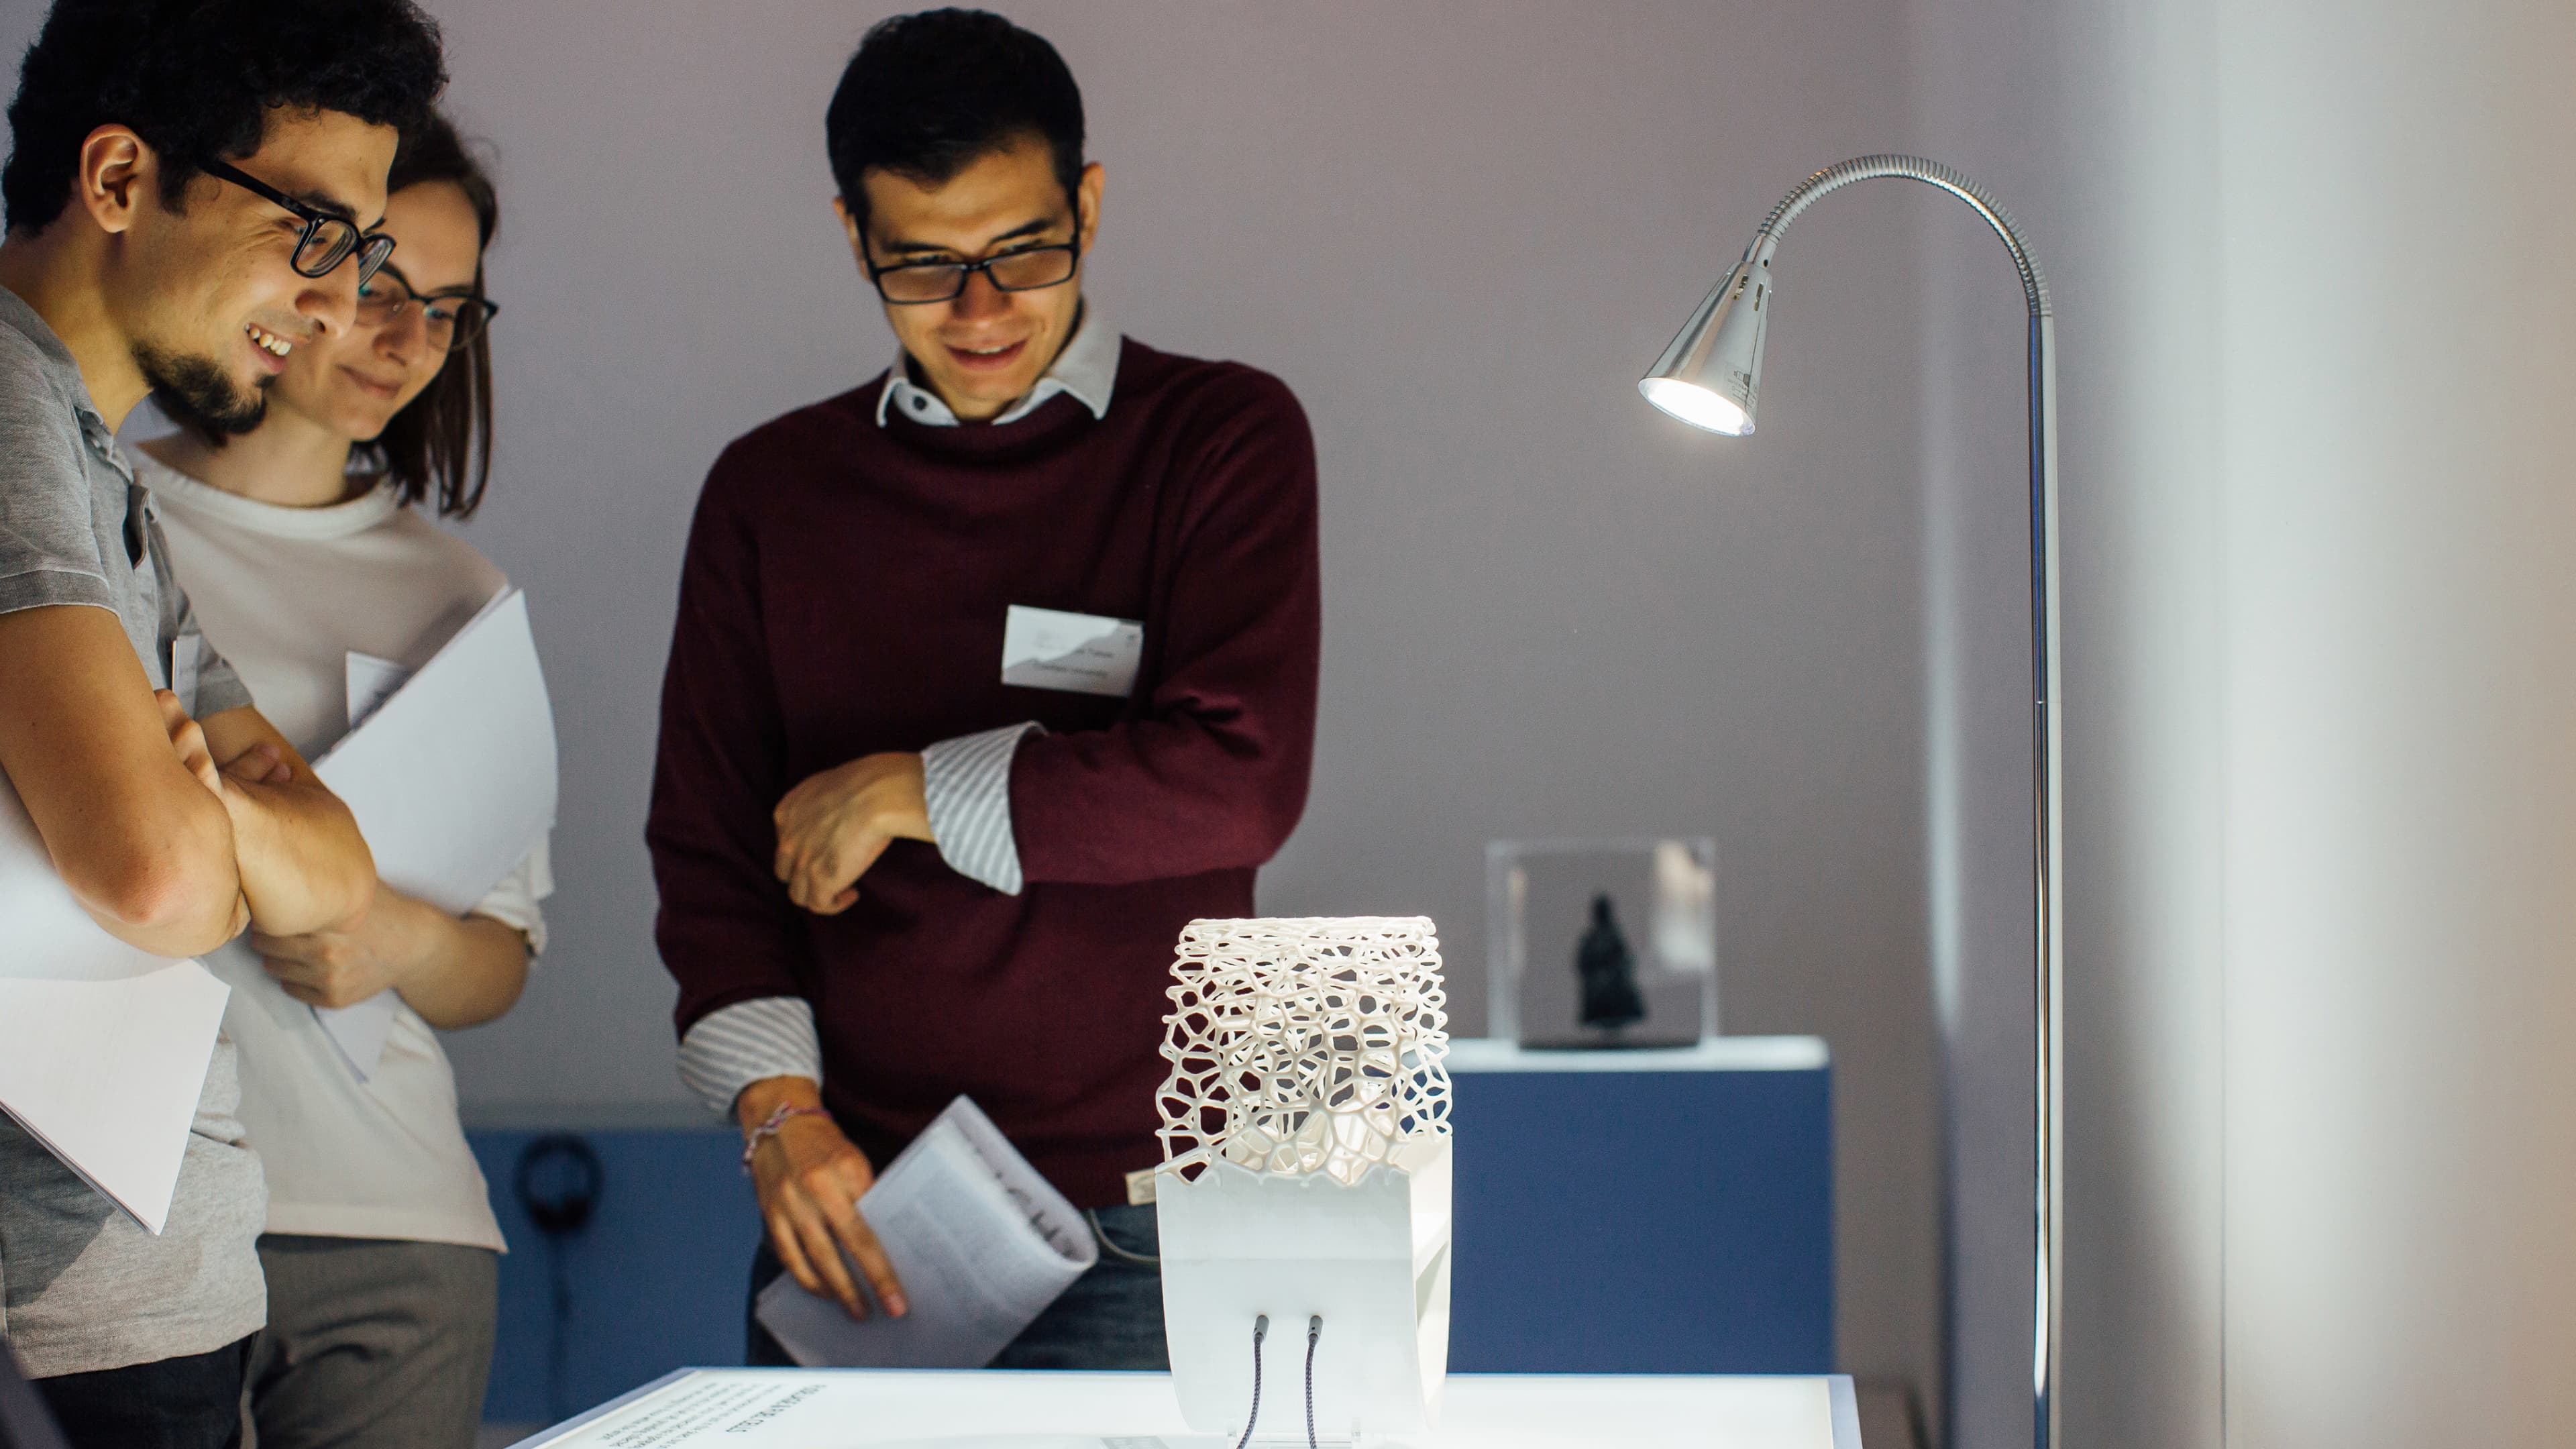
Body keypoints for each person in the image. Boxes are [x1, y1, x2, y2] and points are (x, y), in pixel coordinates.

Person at [648, 7, 1320, 1371]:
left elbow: (1237, 781)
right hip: (866, 1212)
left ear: (1088, 202)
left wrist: (906, 789)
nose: (981, 310)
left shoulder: (1219, 439)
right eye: (923, 265)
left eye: (1024, 250)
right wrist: (781, 1117)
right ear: (853, 238)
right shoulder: (771, 494)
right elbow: (709, 854)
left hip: (1145, 1221)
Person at [0, 2, 445, 1446]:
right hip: (62, 1317)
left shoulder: (95, 468)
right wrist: (191, 810)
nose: (338, 305)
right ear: (121, 180)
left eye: (365, 252)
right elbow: (165, 878)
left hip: (160, 1292)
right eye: (316, 232)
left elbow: (335, 884)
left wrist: (204, 794)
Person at [131, 111, 533, 1449]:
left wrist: (393, 935)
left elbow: (500, 966)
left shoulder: (459, 596)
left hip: (395, 1230)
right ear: (299, 258)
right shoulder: (94, 513)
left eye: (450, 312)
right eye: (381, 286)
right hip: (128, 1214)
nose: (408, 340)